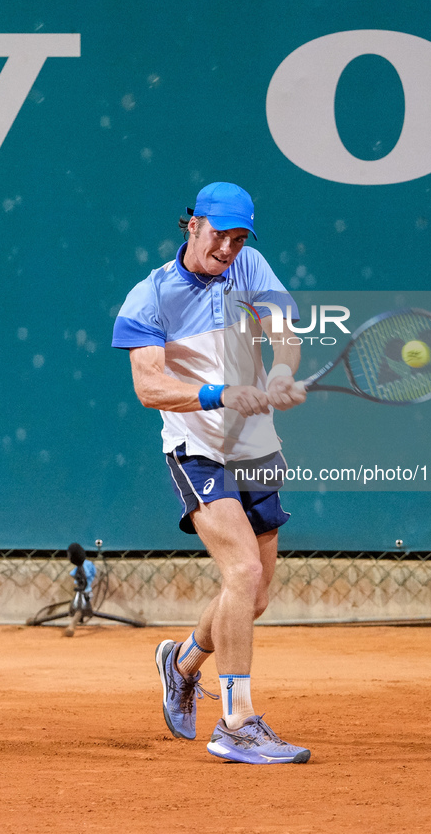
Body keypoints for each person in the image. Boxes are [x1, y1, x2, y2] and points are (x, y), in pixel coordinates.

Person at [112, 182, 310, 764]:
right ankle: (238, 722)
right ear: (192, 225)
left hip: (256, 448)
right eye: (219, 234)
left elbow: (284, 335)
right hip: (197, 452)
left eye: (239, 237)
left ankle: (182, 664)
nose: (228, 248)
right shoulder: (149, 297)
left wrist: (280, 372)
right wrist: (218, 393)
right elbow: (149, 387)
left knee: (253, 596)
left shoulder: (250, 264)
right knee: (243, 569)